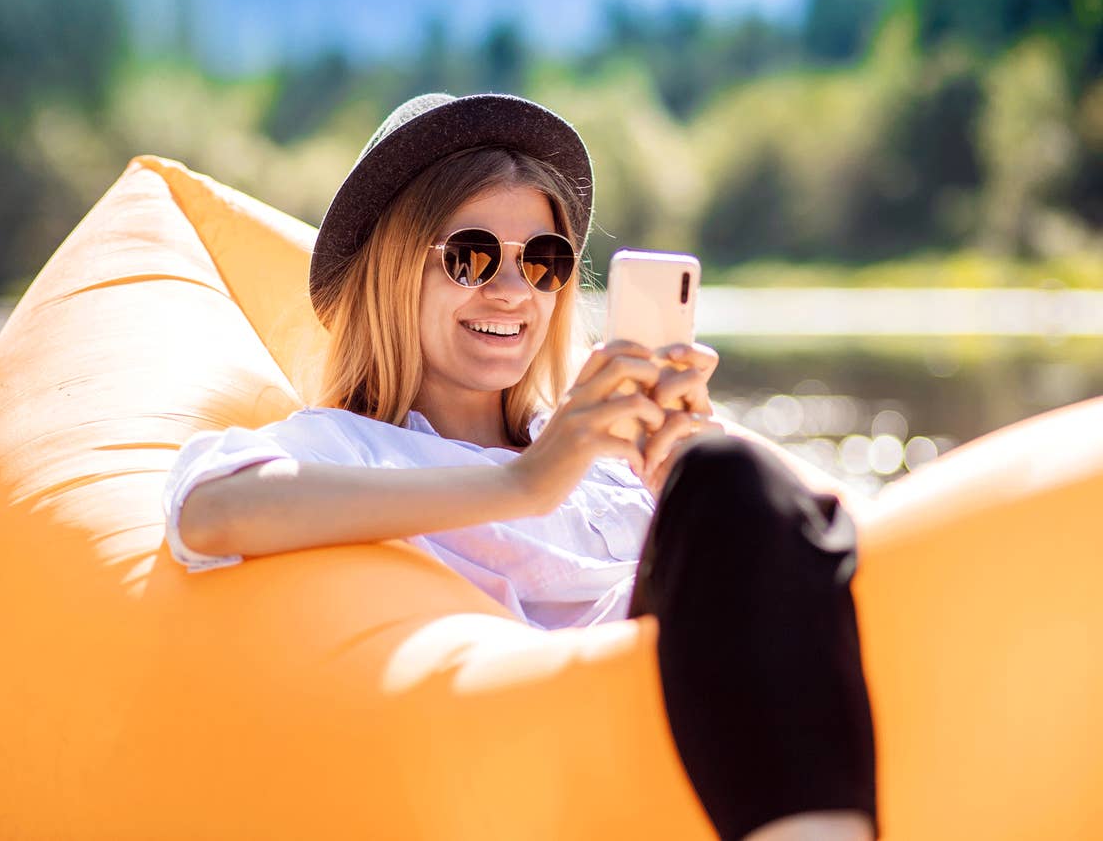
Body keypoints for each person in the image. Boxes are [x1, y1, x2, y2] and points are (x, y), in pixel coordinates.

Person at [161, 92, 878, 841]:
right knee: (728, 474)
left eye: (544, 261)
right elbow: (209, 510)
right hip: (561, 751)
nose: (512, 292)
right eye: (470, 257)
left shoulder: (598, 449)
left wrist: (677, 473)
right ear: (389, 270)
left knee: (726, 467)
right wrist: (523, 484)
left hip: (707, 698)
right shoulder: (348, 446)